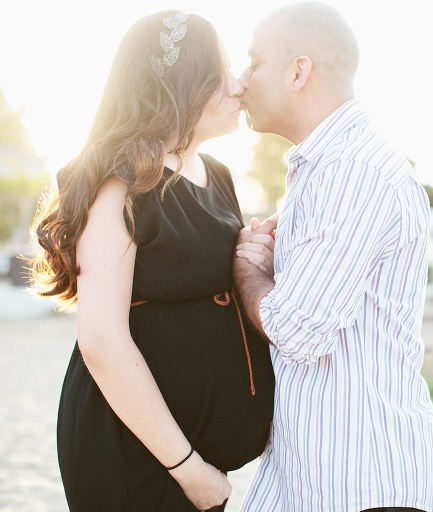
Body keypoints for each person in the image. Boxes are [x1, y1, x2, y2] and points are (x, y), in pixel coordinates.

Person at [30, 11, 274, 511]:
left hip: (196, 454)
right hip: (139, 451)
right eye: (218, 72)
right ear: (176, 84)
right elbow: (100, 338)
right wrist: (187, 469)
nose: (237, 85)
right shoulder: (120, 180)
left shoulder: (218, 174)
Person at [233, 3, 433, 511]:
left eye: (254, 61)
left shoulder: (353, 170)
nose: (241, 81)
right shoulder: (326, 166)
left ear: (299, 71)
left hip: (360, 486)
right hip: (318, 480)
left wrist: (249, 274)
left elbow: (299, 328)